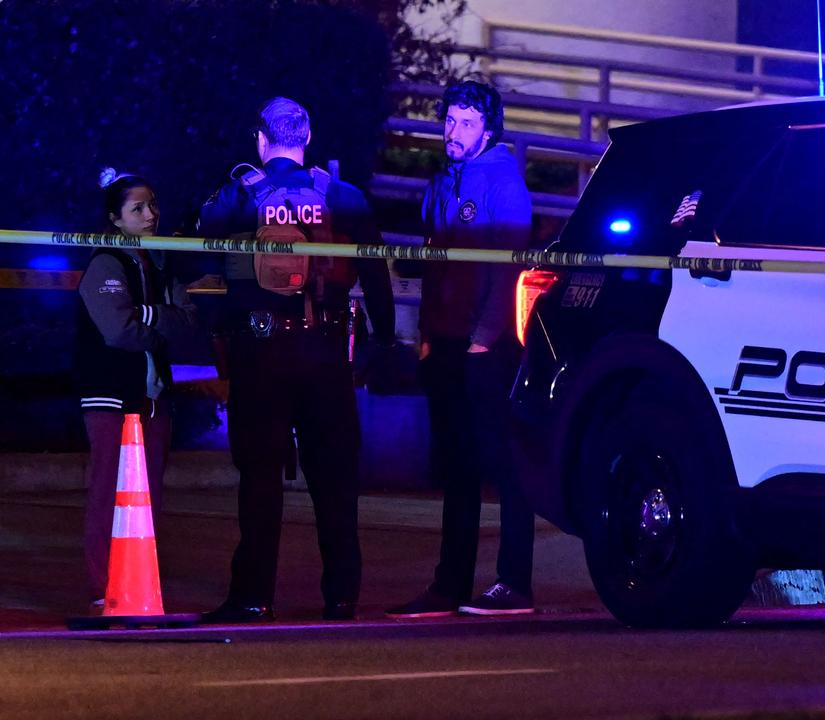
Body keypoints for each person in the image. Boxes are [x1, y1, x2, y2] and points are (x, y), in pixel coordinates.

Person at [198, 97, 396, 623]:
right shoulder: (344, 196)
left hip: (261, 354)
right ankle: (341, 597)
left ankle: (253, 597)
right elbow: (377, 274)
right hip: (327, 353)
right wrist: (380, 342)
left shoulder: (240, 196)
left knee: (260, 478)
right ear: (306, 137)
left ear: (261, 140)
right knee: (334, 480)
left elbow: (198, 249)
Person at [387, 80, 535, 618]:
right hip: (446, 342)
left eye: (466, 123)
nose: (453, 131)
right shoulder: (440, 183)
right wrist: (427, 335)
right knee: (457, 468)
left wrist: (483, 339)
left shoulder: (504, 184)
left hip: (483, 349)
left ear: (487, 129)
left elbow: (508, 269)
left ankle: (515, 583)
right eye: (450, 120)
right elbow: (433, 266)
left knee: (503, 463)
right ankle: (449, 585)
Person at [75, 169, 197, 611]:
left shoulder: (161, 262)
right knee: (110, 492)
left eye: (153, 206)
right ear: (115, 218)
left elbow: (187, 319)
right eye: (138, 208)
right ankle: (102, 586)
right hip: (111, 397)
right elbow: (118, 330)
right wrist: (158, 320)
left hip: (154, 399)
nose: (151, 215)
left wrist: (150, 316)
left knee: (149, 501)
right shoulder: (105, 264)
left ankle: (137, 581)